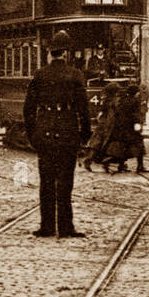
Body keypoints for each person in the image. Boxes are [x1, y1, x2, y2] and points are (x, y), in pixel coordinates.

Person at [23, 30, 91, 238]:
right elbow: (83, 109)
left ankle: (47, 226)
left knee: (46, 182)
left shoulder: (40, 75)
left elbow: (28, 109)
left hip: (44, 132)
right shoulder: (76, 75)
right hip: (68, 132)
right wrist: (84, 134)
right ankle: (66, 226)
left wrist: (33, 134)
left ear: (51, 53)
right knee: (65, 182)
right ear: (66, 53)